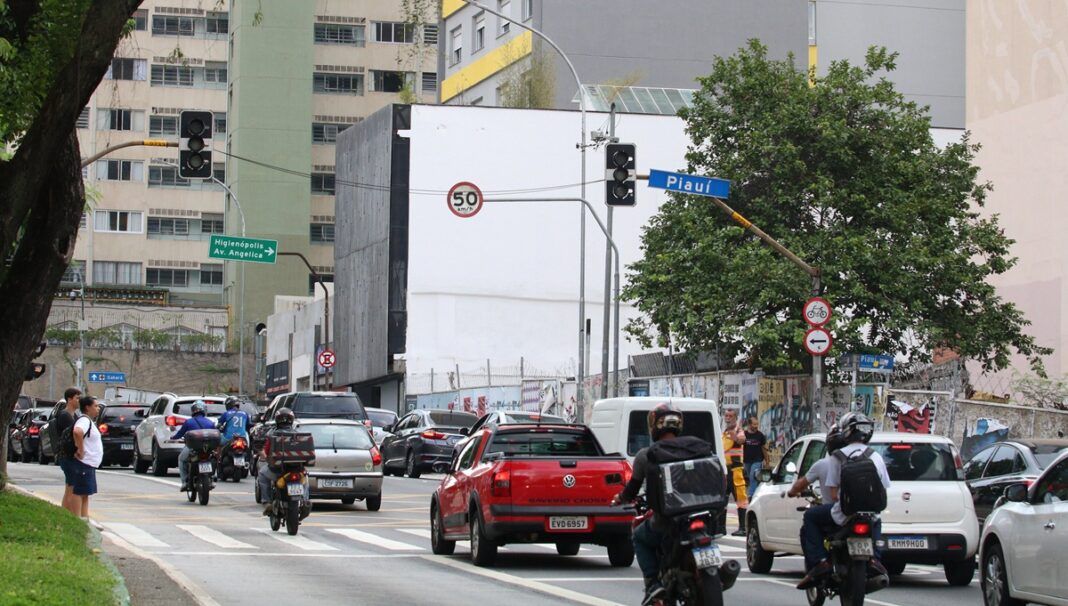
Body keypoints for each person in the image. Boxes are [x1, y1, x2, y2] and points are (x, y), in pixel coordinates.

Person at [611, 403, 710, 605]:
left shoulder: (646, 455)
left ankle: (652, 584)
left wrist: (619, 498)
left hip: (667, 521)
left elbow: (632, 489)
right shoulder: (697, 448)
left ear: (654, 427)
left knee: (639, 536)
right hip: (703, 515)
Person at [788, 412, 891, 589]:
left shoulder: (838, 456)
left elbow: (834, 494)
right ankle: (875, 558)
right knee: (877, 520)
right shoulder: (876, 456)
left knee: (811, 516)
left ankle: (820, 561)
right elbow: (884, 486)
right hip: (870, 514)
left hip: (843, 513)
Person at [257, 407, 303, 515]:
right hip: (297, 468)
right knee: (305, 478)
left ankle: (267, 502)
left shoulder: (272, 435)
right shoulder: (298, 434)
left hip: (278, 470)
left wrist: (263, 455)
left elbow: (266, 452)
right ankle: (305, 500)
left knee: (262, 475)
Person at [172, 401, 216, 491]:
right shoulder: (210, 423)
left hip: (192, 449)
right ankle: (213, 477)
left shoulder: (188, 422)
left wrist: (173, 437)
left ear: (193, 411)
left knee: (181, 459)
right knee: (214, 459)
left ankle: (184, 482)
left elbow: (179, 434)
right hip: (207, 449)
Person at [71, 396, 103, 520]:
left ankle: (84, 518)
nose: (98, 408)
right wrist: (81, 449)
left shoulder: (88, 421)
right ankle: (77, 518)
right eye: (95, 406)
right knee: (79, 492)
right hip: (84, 462)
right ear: (87, 407)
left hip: (89, 464)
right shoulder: (84, 421)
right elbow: (77, 432)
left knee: (85, 493)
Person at [55, 386, 82, 516]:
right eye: (77, 398)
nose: (79, 400)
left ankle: (65, 514)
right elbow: (73, 435)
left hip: (70, 456)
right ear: (70, 399)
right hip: (68, 456)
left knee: (69, 487)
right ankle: (70, 515)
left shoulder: (74, 415)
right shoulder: (65, 416)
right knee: (72, 488)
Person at [722, 407, 748, 536]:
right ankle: (721, 527)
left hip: (736, 470)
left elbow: (742, 439)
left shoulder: (738, 430)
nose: (728, 418)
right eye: (726, 416)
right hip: (725, 471)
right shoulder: (725, 432)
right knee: (723, 499)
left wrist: (736, 438)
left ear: (735, 417)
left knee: (741, 499)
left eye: (730, 416)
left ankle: (743, 528)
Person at [743, 415, 770, 501]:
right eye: (754, 424)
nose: (756, 426)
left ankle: (751, 496)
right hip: (746, 461)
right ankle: (757, 493)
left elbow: (764, 449)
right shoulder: (744, 435)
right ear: (749, 424)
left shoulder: (760, 435)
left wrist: (767, 461)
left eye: (757, 424)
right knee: (753, 479)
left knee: (753, 477)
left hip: (757, 460)